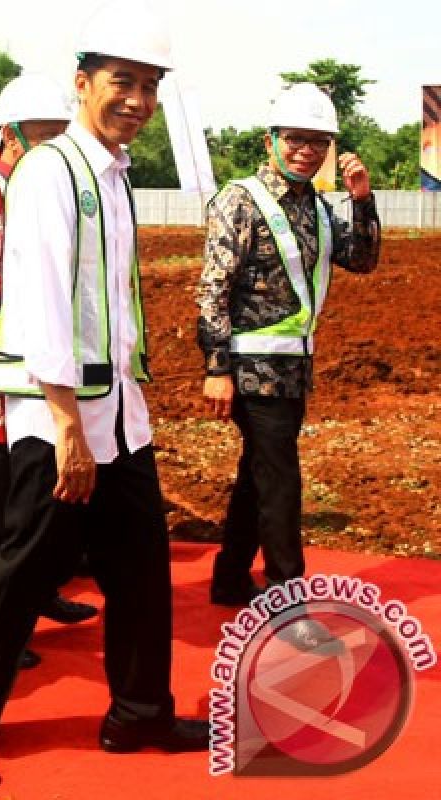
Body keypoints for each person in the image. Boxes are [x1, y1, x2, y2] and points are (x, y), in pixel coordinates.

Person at [0, 5, 208, 788]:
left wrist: (121, 416)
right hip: (62, 421)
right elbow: (43, 301)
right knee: (24, 568)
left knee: (143, 567)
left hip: (116, 418)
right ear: (83, 83)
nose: (137, 100)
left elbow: (106, 306)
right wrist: (66, 429)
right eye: (123, 82)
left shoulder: (112, 177)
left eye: (150, 87)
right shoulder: (52, 171)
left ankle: (139, 711)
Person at [0, 74, 99, 663]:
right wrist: (39, 351)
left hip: (26, 388)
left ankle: (33, 595)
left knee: (31, 508)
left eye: (61, 135)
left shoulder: (34, 194)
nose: (54, 149)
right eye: (42, 136)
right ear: (5, 138)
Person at [198, 84, 380, 610]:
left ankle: (230, 579)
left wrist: (362, 200)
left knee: (260, 473)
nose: (307, 150)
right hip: (252, 367)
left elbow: (363, 260)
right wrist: (217, 366)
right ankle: (287, 599)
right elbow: (213, 286)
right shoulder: (240, 200)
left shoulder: (319, 209)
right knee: (281, 480)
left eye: (318, 142)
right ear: (270, 139)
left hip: (294, 367)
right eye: (296, 138)